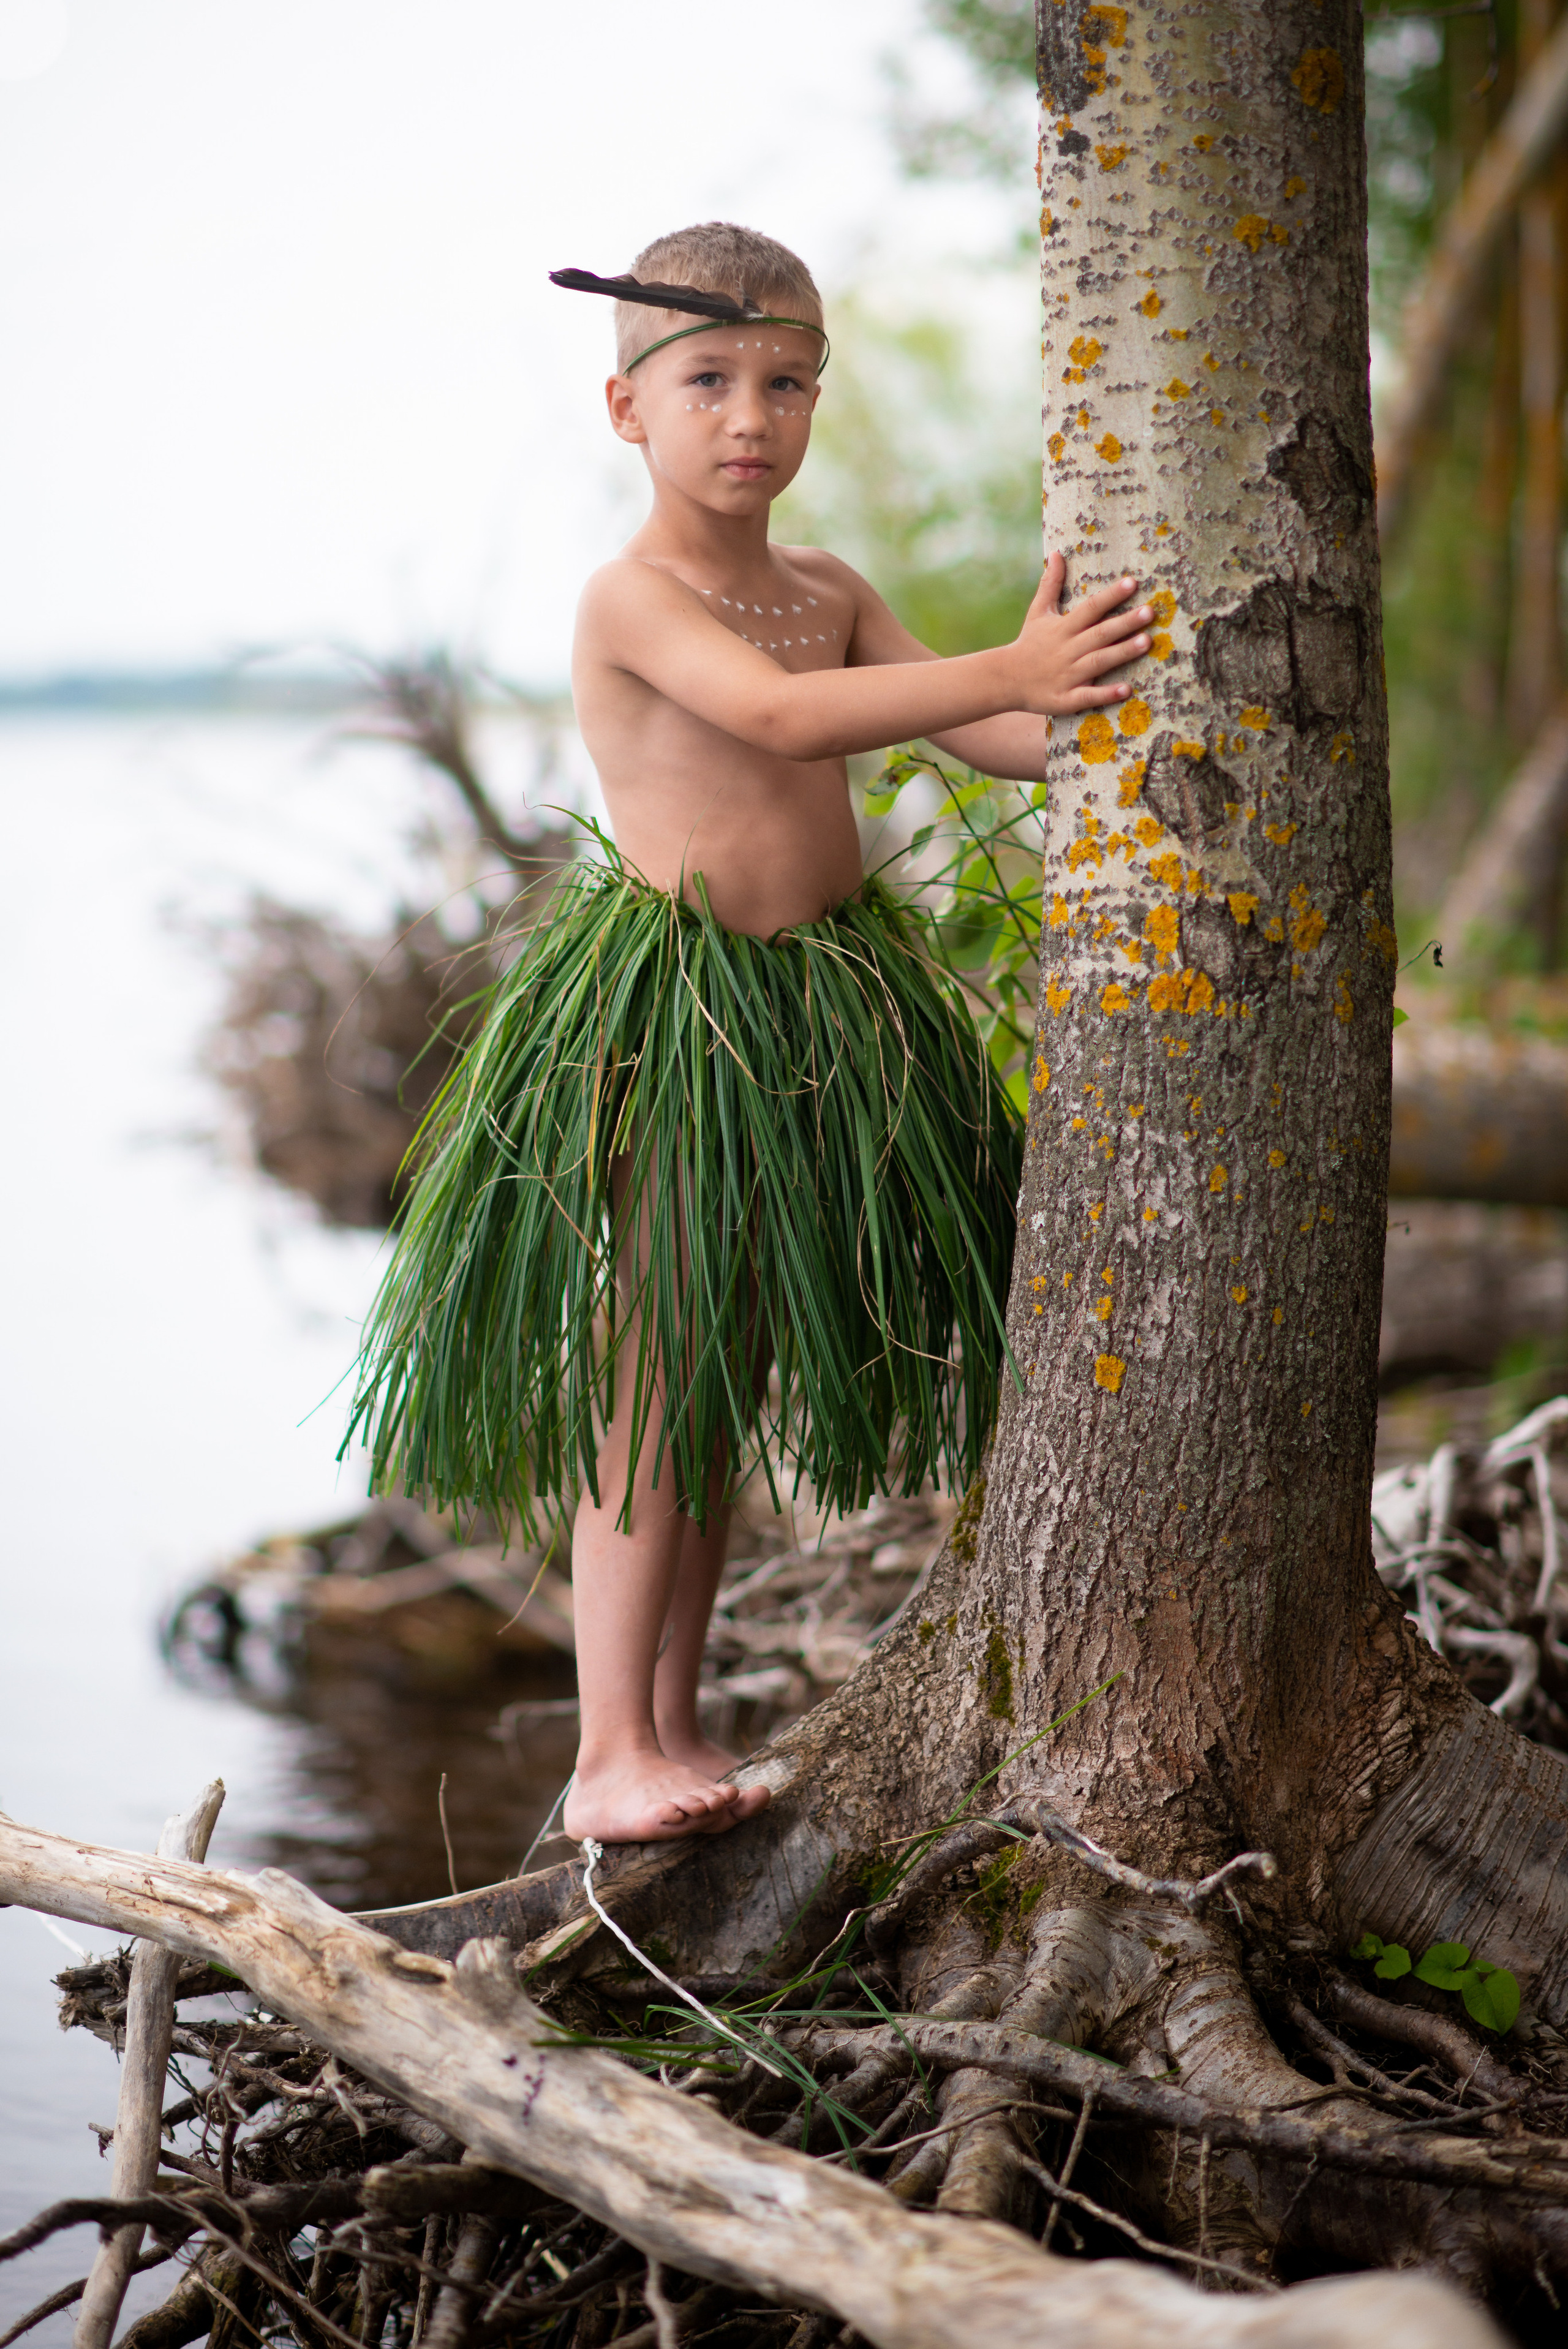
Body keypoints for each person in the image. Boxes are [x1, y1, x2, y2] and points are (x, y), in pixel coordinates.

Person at [345, 222, 1153, 1847]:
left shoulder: (827, 588)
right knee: (655, 1375)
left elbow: (989, 729)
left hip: (816, 1005)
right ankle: (600, 1750)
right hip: (686, 1017)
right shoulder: (632, 597)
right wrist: (1012, 666)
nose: (750, 416)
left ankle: (674, 1719)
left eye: (786, 382)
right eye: (707, 378)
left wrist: (1084, 697)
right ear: (625, 407)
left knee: (724, 1378)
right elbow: (784, 721)